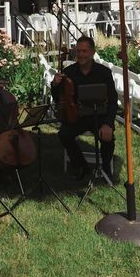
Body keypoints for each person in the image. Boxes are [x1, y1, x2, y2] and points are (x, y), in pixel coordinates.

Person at [51, 36, 118, 180]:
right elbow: (59, 99)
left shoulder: (104, 72)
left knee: (108, 138)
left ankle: (106, 168)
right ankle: (81, 166)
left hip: (99, 116)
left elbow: (113, 101)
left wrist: (108, 124)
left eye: (84, 51)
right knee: (64, 134)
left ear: (93, 52)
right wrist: (55, 85)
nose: (80, 55)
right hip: (77, 116)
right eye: (78, 51)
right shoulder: (69, 72)